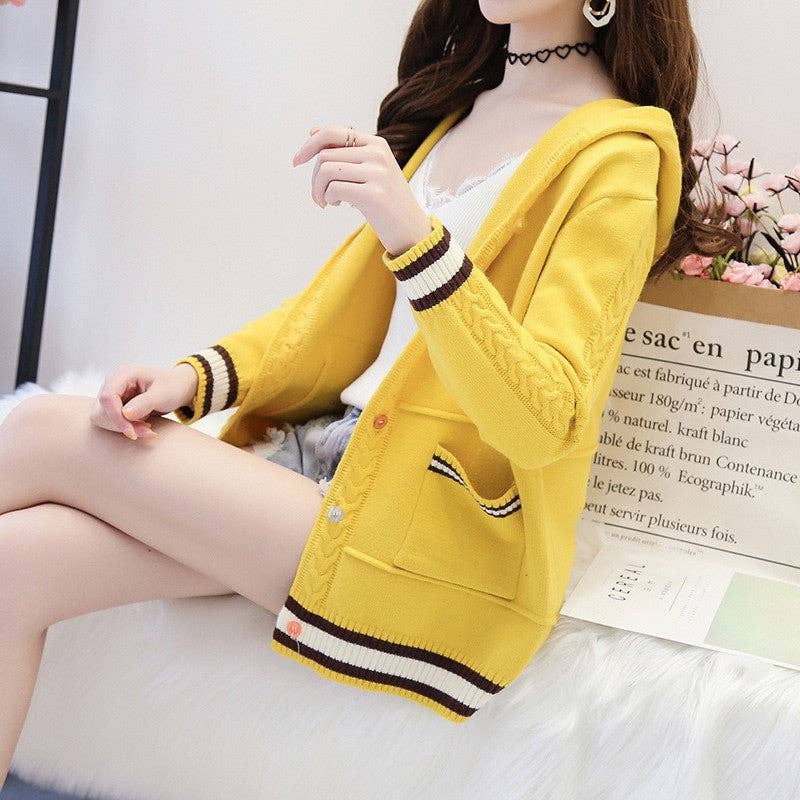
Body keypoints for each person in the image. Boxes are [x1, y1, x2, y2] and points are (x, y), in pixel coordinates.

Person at [0, 0, 740, 777]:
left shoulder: (621, 158)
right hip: (316, 465)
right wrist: (193, 377)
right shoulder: (460, 110)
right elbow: (336, 322)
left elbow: (545, 417)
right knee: (17, 563)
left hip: (429, 524)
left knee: (46, 429)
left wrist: (414, 235)